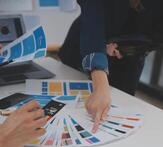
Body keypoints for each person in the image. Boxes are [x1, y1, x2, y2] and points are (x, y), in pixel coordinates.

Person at [48, 0, 163, 132]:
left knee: (115, 120)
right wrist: (100, 80)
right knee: (68, 114)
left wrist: (125, 44)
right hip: (84, 49)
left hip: (129, 58)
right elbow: (92, 22)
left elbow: (157, 35)